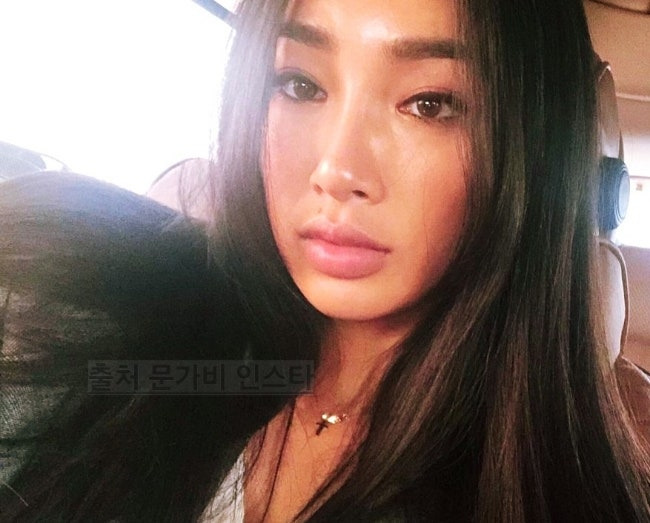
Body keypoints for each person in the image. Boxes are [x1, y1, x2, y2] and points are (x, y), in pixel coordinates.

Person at [1, 0, 649, 521]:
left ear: (532, 154)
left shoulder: (560, 493)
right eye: (300, 85)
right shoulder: (106, 321)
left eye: (430, 103)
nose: (336, 169)